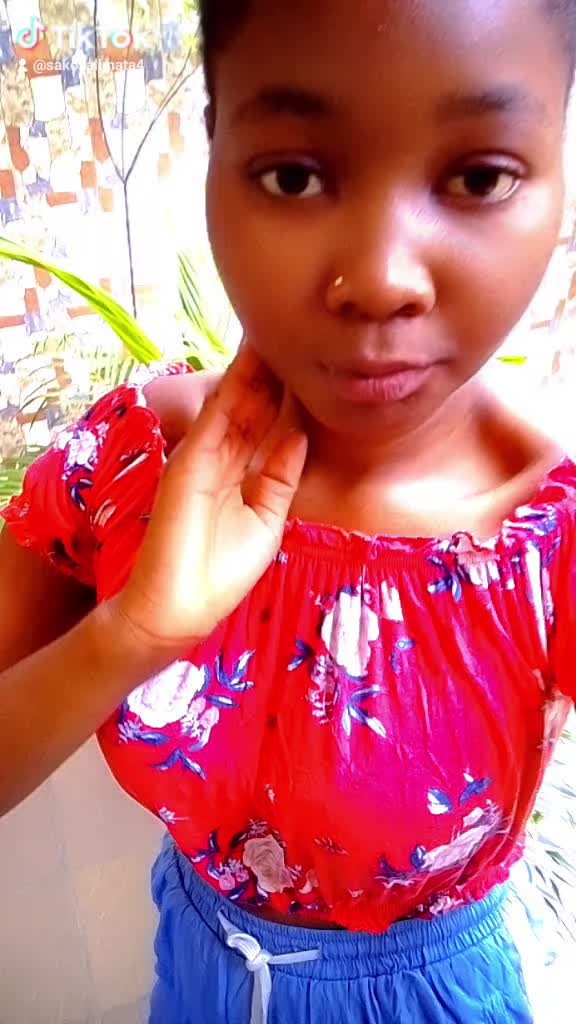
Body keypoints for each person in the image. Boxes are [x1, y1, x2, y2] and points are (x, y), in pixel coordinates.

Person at [1, 0, 576, 1020]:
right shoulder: (131, 461)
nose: (381, 280)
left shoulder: (546, 543)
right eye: (295, 176)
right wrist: (134, 633)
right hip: (197, 973)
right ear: (215, 150)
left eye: (480, 177)